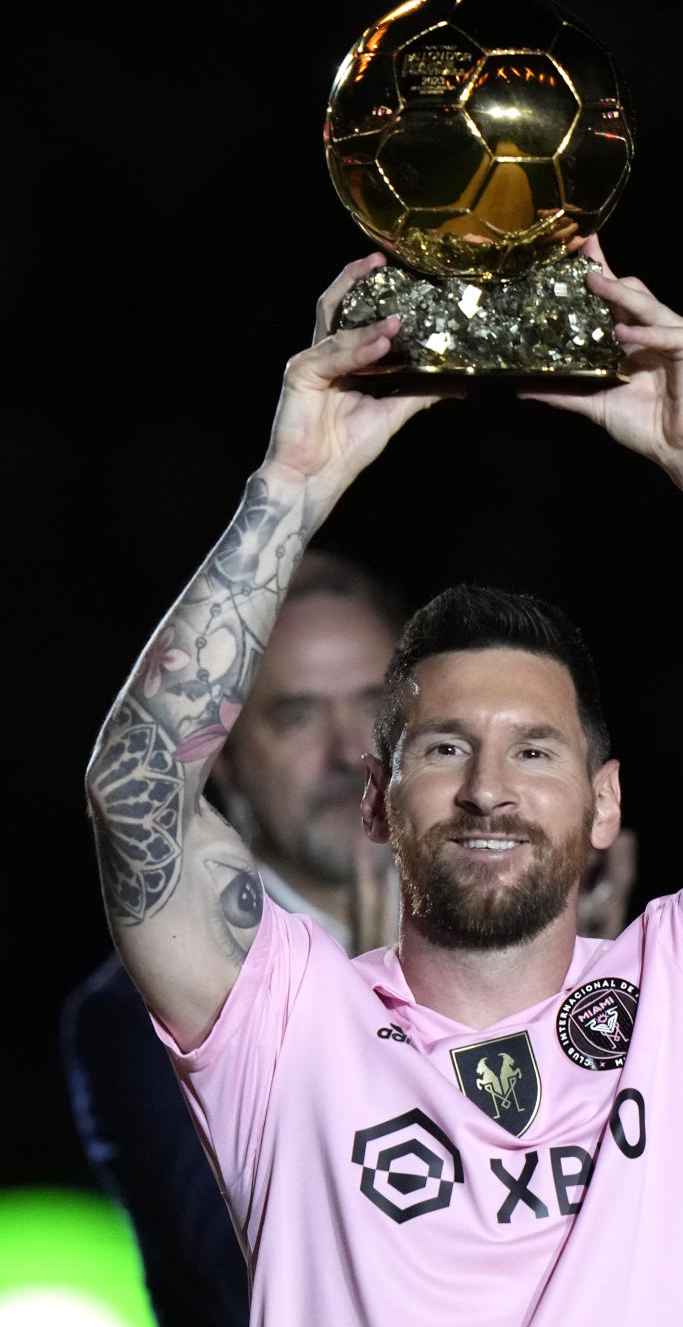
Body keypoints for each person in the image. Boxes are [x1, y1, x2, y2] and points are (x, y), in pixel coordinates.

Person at [84, 246, 683, 1326]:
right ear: (377, 799)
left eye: (535, 749)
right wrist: (290, 486)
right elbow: (133, 796)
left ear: (605, 801)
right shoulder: (285, 1023)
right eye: (441, 748)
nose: (487, 788)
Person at [64, 550, 404, 1326]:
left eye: (378, 705)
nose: (349, 752)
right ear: (223, 764)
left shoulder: (538, 949)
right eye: (295, 715)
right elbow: (250, 1280)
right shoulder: (131, 1013)